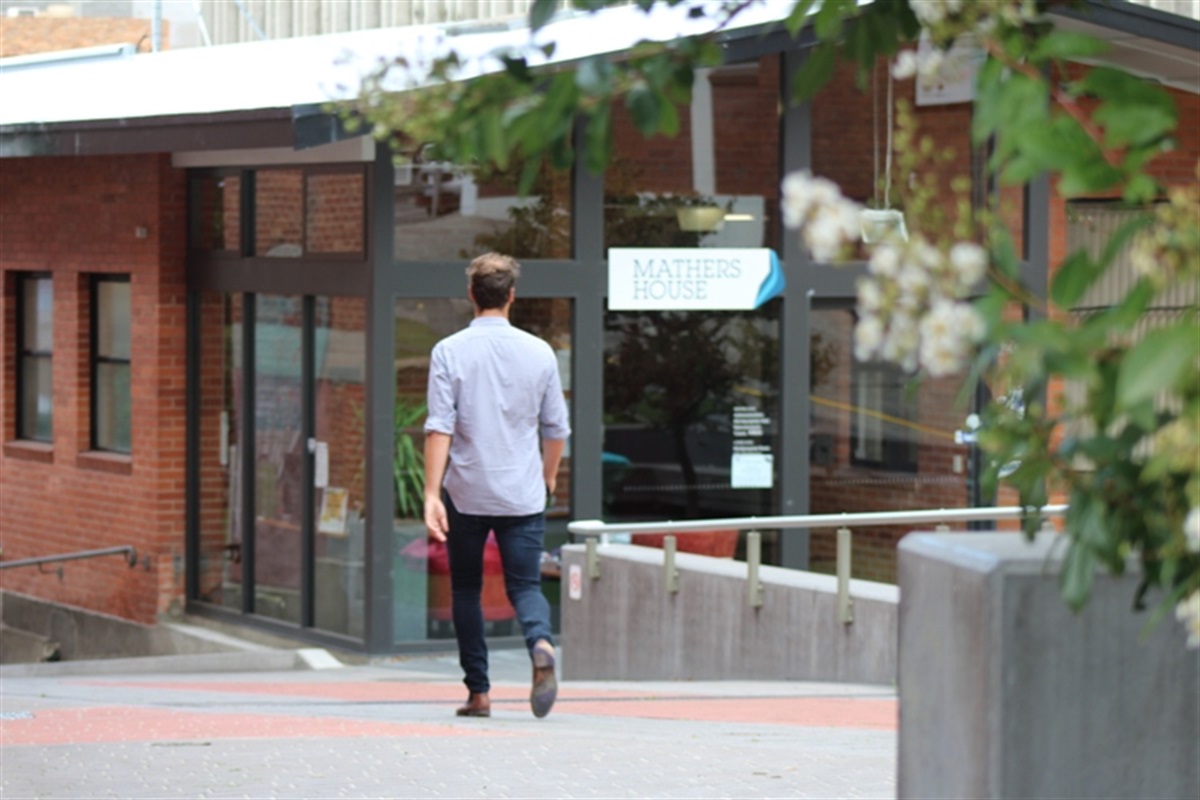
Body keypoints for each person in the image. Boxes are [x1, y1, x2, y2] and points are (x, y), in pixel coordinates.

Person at [423, 252, 571, 719]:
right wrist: (548, 476)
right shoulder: (539, 352)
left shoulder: (449, 351)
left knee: (466, 590)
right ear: (512, 296)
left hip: (467, 491)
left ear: (471, 295)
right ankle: (541, 642)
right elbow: (556, 429)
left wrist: (431, 494)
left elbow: (439, 428)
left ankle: (479, 694)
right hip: (522, 492)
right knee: (525, 585)